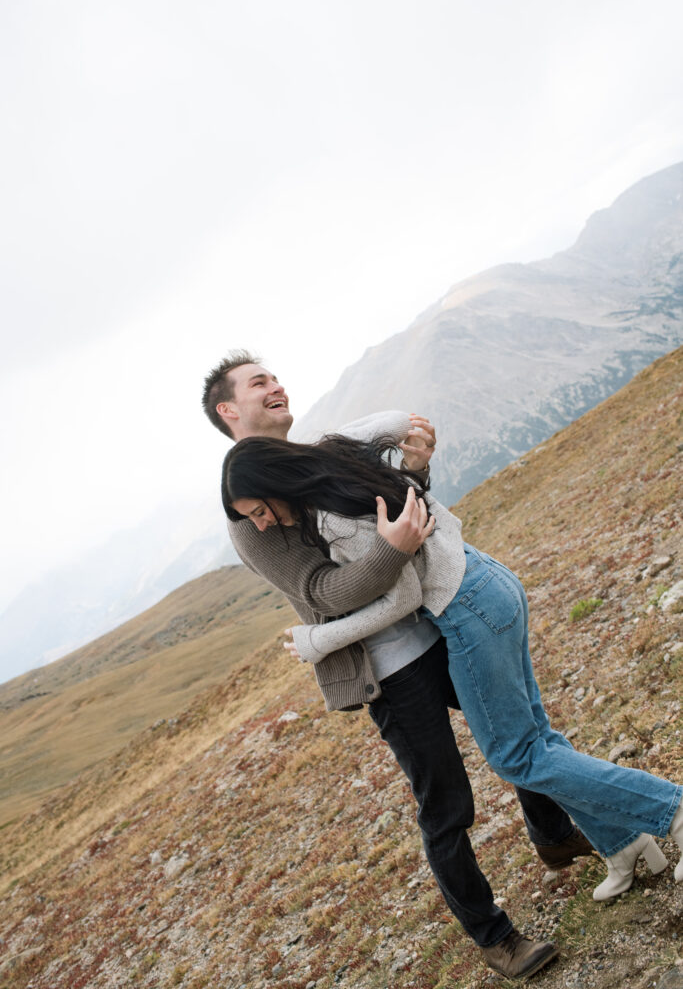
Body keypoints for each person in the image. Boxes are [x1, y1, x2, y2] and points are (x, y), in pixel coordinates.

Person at [202, 352, 593, 980]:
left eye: (273, 376)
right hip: (388, 667)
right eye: (257, 383)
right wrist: (391, 550)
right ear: (228, 410)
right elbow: (324, 593)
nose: (275, 385)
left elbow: (391, 508)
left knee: (515, 729)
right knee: (445, 804)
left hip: (436, 626)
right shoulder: (248, 513)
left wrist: (415, 469)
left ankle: (552, 834)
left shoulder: (307, 459)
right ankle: (494, 937)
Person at [221, 416, 683, 906]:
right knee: (537, 738)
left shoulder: (331, 518)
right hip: (486, 583)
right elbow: (401, 426)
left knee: (516, 755)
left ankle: (671, 810)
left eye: (258, 511)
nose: (261, 525)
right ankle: (622, 843)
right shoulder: (342, 465)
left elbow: (403, 597)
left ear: (275, 485)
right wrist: (415, 460)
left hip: (467, 608)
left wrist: (321, 639)